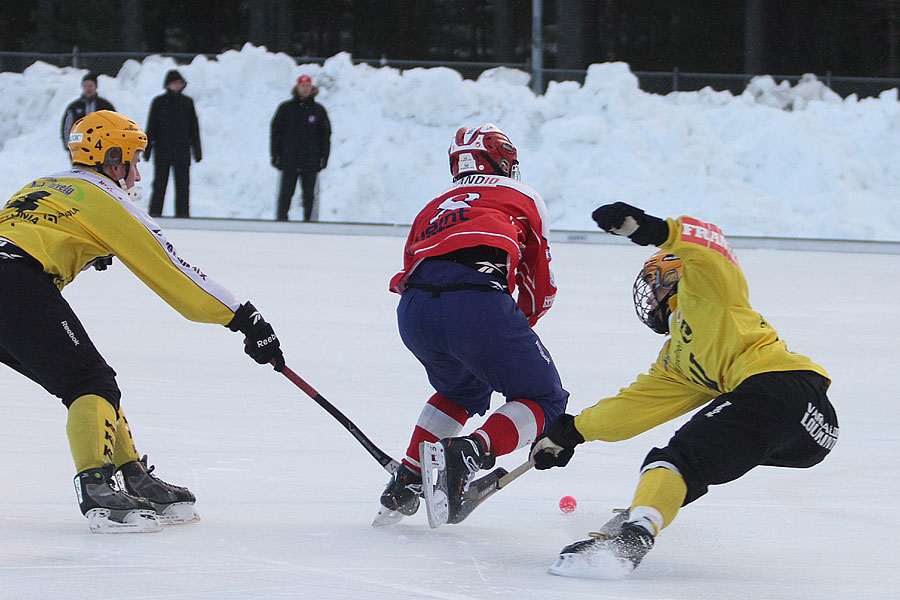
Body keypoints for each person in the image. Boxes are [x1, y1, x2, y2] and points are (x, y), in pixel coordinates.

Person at [0, 110, 284, 534]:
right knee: (89, 383)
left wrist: (88, 247)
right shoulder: (105, 197)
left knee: (85, 382)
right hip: (15, 282)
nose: (136, 174)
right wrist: (244, 317)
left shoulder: (43, 184)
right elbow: (174, 271)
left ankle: (131, 472)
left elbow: (36, 230)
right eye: (134, 159)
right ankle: (97, 487)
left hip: (12, 277)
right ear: (113, 161)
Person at [530, 202, 838, 577]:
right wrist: (572, 431)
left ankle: (634, 537)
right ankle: (659, 500)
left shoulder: (707, 290)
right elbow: (635, 406)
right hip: (812, 433)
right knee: (700, 459)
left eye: (653, 285)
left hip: (776, 388)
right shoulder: (678, 359)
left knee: (677, 460)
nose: (649, 297)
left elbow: (711, 247)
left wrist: (653, 229)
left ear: (672, 279)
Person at [376, 124, 568, 525]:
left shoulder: (433, 204)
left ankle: (408, 479)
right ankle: (471, 452)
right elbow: (539, 286)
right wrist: (512, 329)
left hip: (414, 313)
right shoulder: (523, 196)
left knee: (461, 388)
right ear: (501, 158)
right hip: (477, 304)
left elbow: (410, 267)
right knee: (546, 400)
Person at [269, 74, 331, 221]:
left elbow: (325, 136)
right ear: (297, 87)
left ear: (312, 88)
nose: (305, 89)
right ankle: (281, 221)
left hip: (310, 162)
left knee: (310, 196)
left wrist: (323, 157)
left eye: (308, 86)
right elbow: (275, 133)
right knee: (285, 194)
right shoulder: (285, 109)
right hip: (288, 160)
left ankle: (310, 223)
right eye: (302, 86)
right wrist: (275, 155)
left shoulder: (318, 110)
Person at [145, 69, 202, 218]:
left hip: (182, 152)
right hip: (163, 151)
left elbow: (193, 128)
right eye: (174, 83)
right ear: (167, 85)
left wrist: (197, 151)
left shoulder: (187, 103)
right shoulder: (158, 102)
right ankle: (155, 215)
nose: (177, 86)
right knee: (159, 185)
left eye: (179, 83)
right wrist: (147, 149)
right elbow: (151, 127)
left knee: (183, 187)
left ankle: (183, 216)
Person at [60, 72, 115, 151]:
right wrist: (68, 146)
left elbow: (114, 126)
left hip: (101, 147)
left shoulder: (105, 106)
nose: (88, 89)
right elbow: (67, 127)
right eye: (85, 86)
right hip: (80, 147)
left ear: (96, 87)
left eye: (90, 86)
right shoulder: (74, 107)